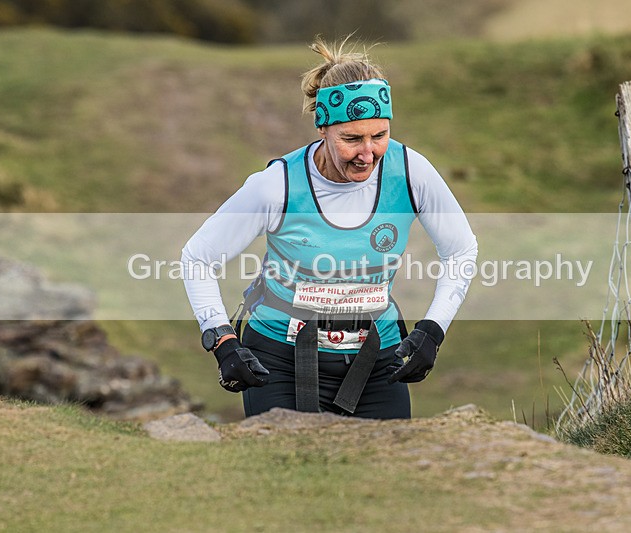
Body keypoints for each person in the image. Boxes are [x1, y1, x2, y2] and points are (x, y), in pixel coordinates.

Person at [181, 36, 477, 419]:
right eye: (352, 139)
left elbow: (461, 249)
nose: (367, 154)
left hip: (377, 356)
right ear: (323, 127)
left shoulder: (411, 171)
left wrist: (432, 330)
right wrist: (222, 340)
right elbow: (197, 257)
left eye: (379, 136)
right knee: (288, 473)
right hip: (279, 358)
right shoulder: (277, 185)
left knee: (383, 474)